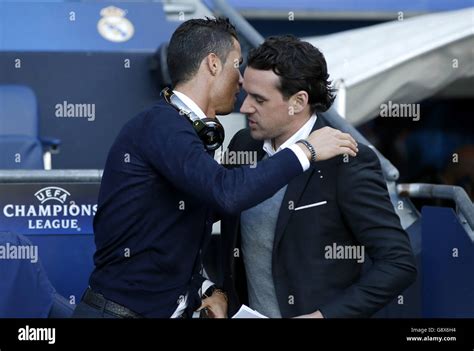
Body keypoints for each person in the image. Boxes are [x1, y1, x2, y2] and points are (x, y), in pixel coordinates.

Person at [72, 20, 358, 318]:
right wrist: (306, 150)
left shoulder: (179, 131)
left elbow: (171, 234)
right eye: (237, 65)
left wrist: (206, 288)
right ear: (212, 64)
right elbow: (227, 194)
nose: (242, 80)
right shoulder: (162, 126)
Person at [220, 35, 417, 318]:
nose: (245, 107)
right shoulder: (243, 145)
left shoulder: (347, 159)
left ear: (298, 102)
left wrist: (325, 316)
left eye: (259, 99)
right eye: (246, 93)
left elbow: (398, 263)